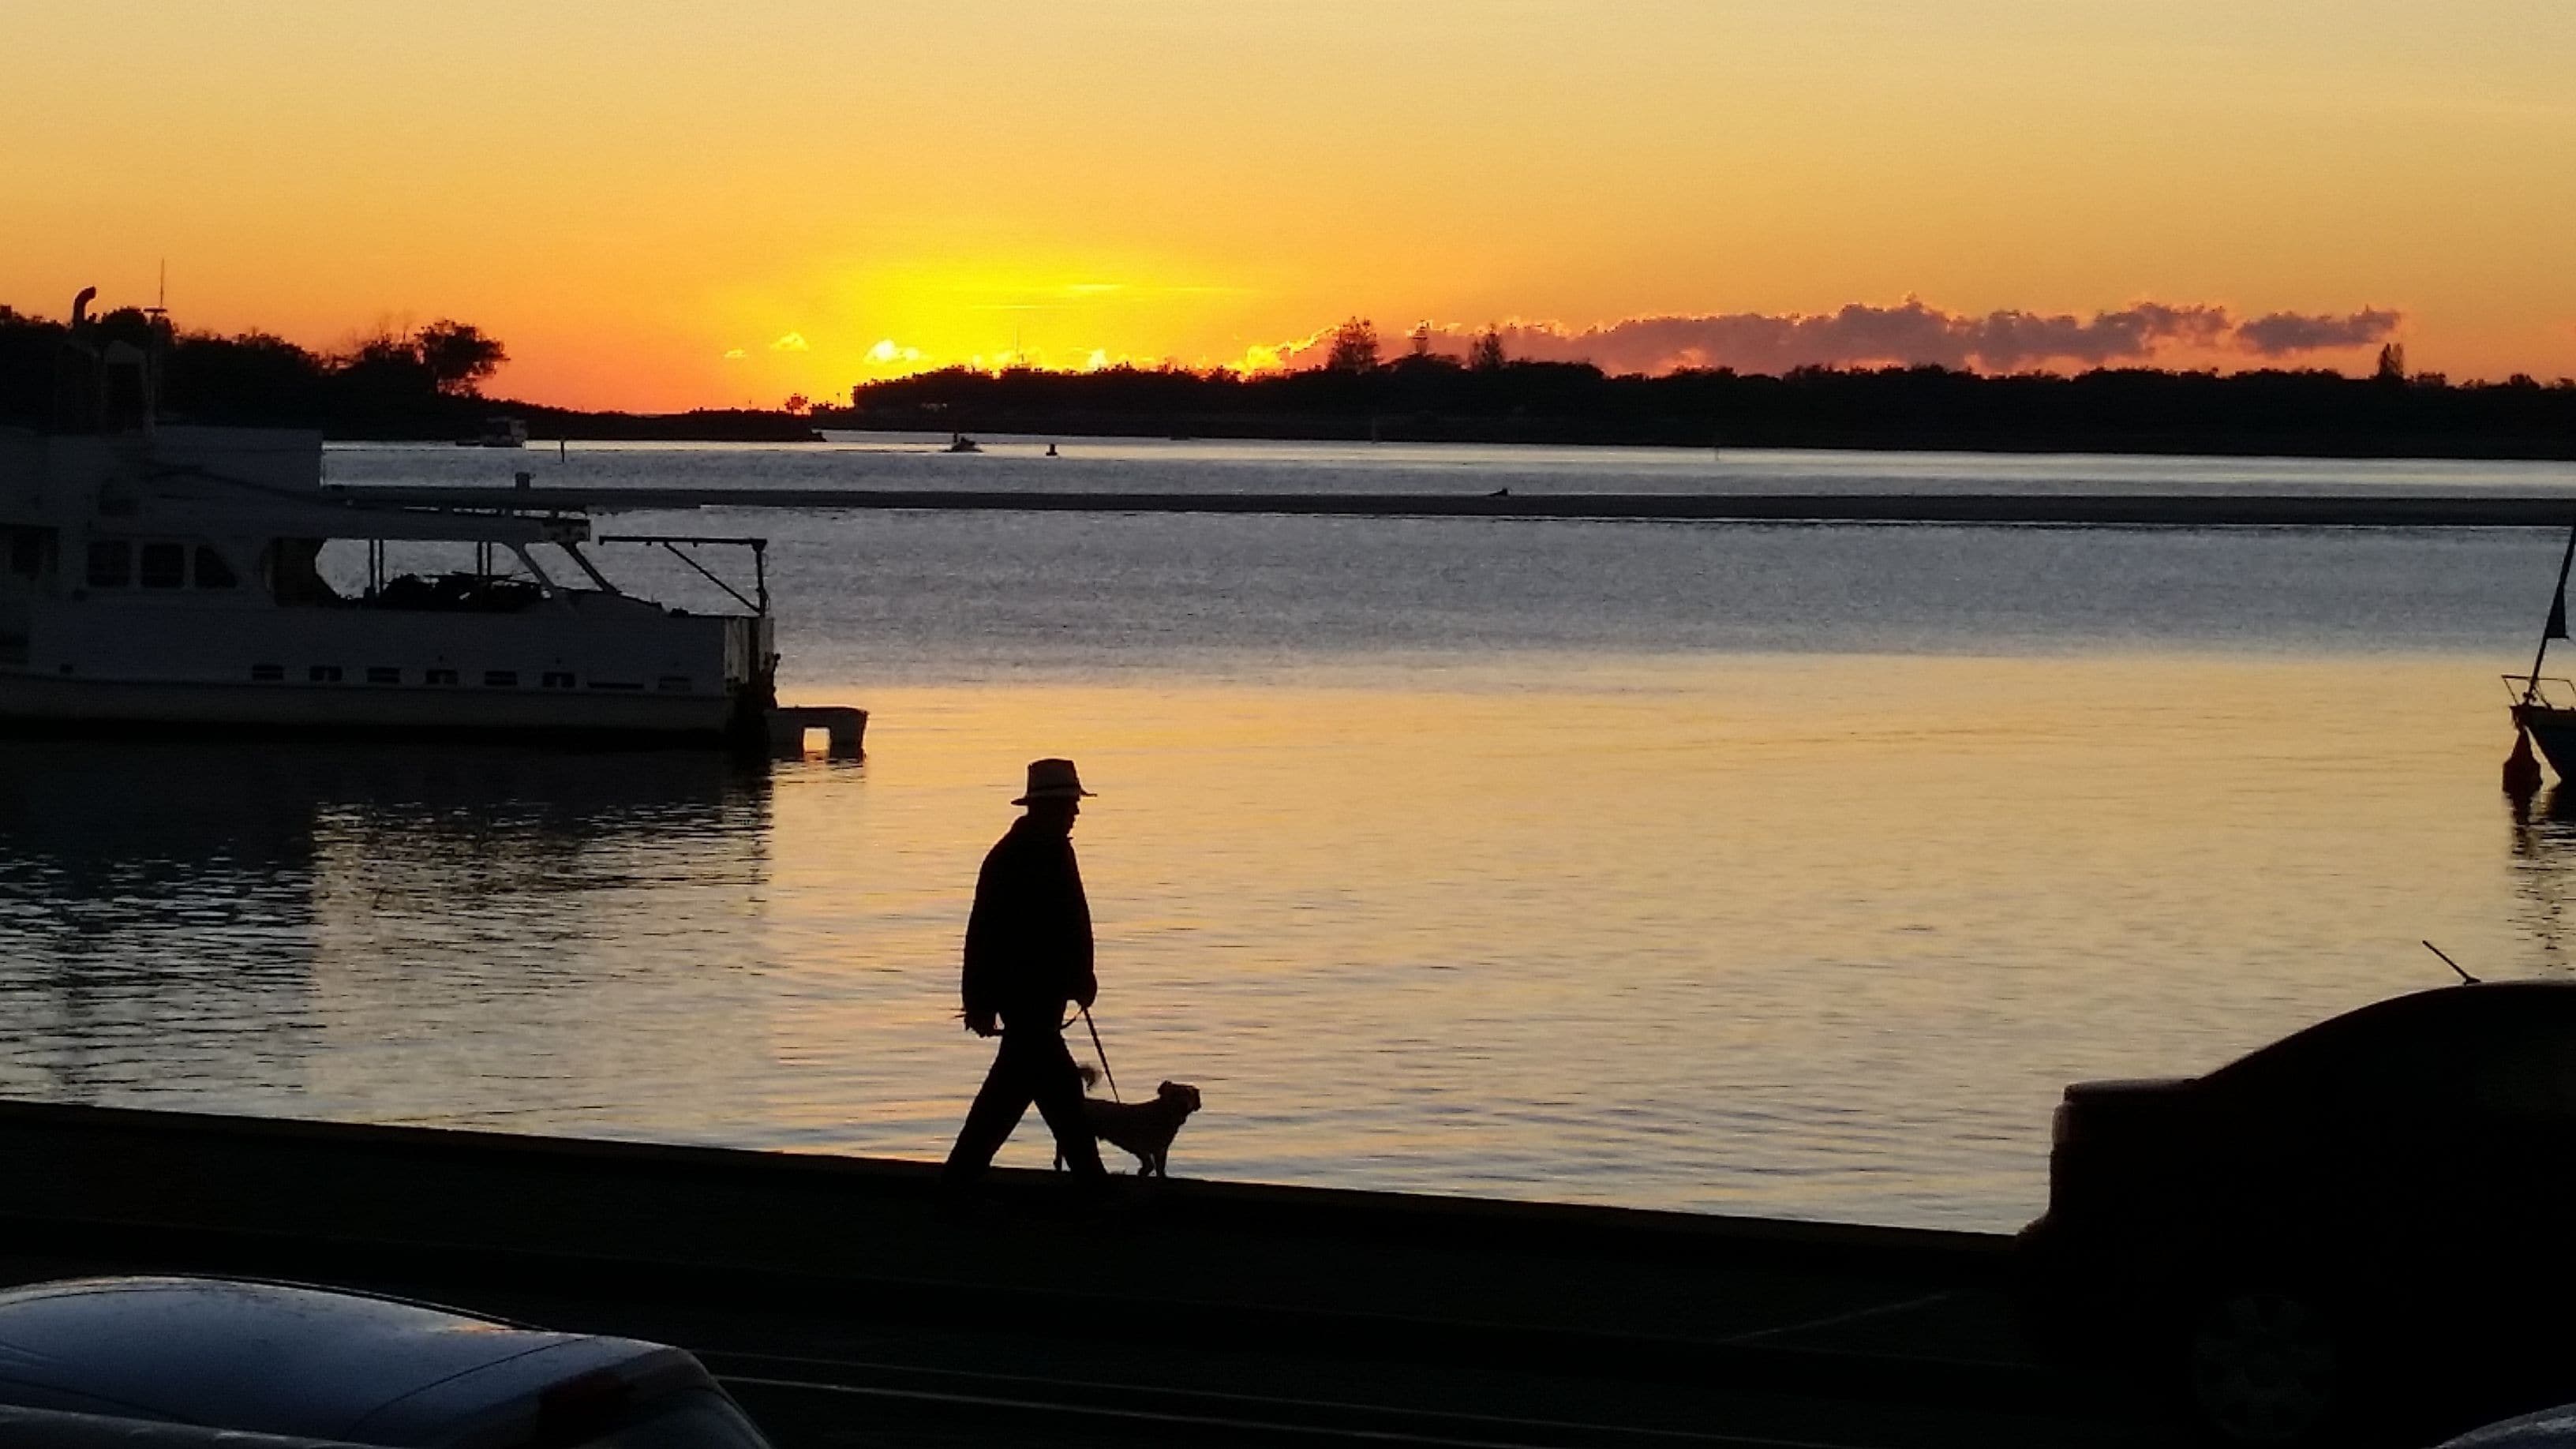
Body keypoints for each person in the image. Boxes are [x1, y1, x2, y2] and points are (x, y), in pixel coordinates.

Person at [942, 758, 1109, 1185]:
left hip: (1039, 999)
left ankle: (958, 1185)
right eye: (1070, 803)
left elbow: (1071, 925)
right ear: (1049, 806)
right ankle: (1094, 1188)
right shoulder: (1015, 857)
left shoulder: (1048, 850)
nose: (1076, 811)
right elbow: (984, 934)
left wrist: (1081, 976)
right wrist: (978, 1003)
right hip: (1028, 998)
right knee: (1051, 1097)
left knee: (1031, 1095)